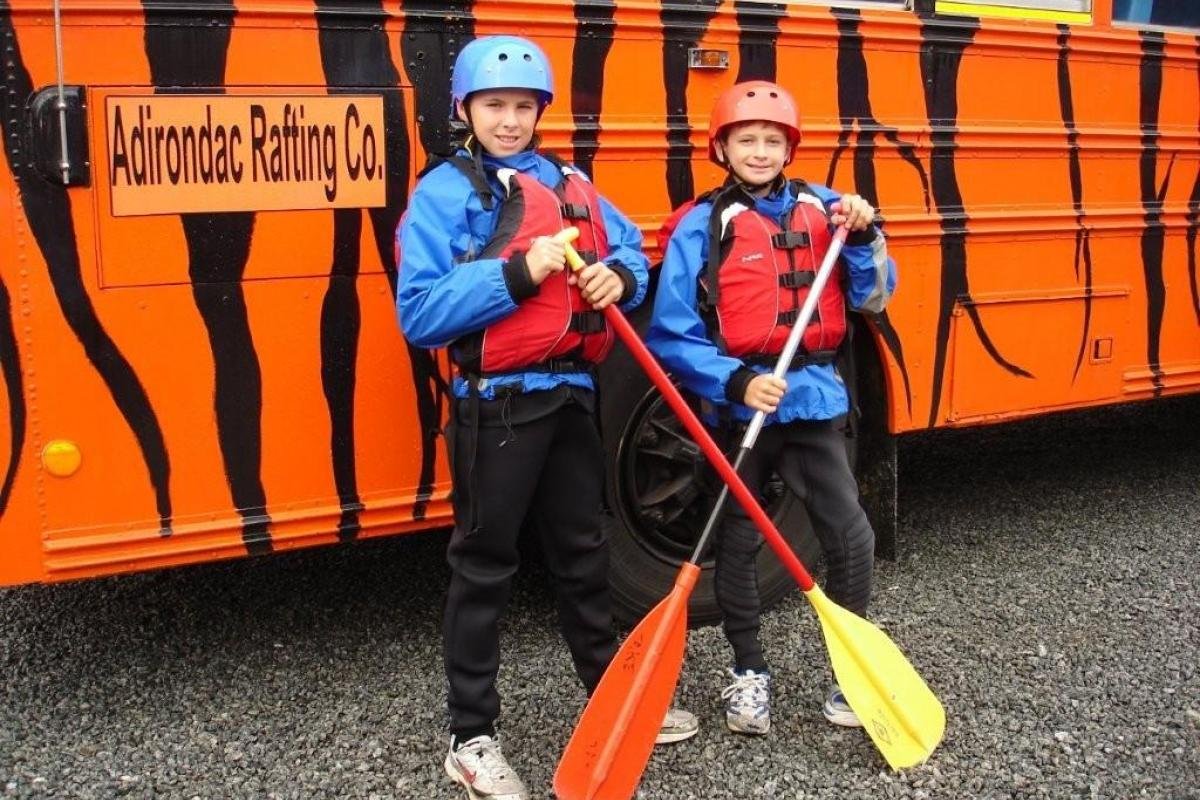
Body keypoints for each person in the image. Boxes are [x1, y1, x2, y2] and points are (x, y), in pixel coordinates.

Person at [396, 35, 697, 800]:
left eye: (522, 106)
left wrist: (619, 275)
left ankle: (608, 695)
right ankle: (470, 737)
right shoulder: (444, 194)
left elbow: (633, 249)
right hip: (493, 409)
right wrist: (517, 274)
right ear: (465, 109)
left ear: (540, 111)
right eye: (494, 105)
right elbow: (421, 311)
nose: (509, 120)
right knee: (484, 567)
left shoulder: (568, 182)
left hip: (571, 397)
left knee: (584, 555)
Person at [646, 80, 896, 737]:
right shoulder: (702, 224)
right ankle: (748, 672)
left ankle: (853, 677)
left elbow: (871, 297)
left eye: (772, 140)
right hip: (741, 405)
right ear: (722, 147)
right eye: (745, 139)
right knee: (738, 538)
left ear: (790, 147)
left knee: (850, 532)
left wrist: (867, 239)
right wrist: (734, 383)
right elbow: (672, 330)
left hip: (811, 397)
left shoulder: (831, 212)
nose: (759, 151)